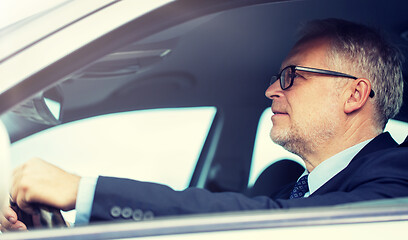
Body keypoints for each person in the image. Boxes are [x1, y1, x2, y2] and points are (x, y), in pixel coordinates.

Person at [1, 18, 408, 231]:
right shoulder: (292, 191)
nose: (270, 91)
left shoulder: (397, 177)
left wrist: (83, 190)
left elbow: (267, 224)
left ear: (354, 95)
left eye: (290, 76)